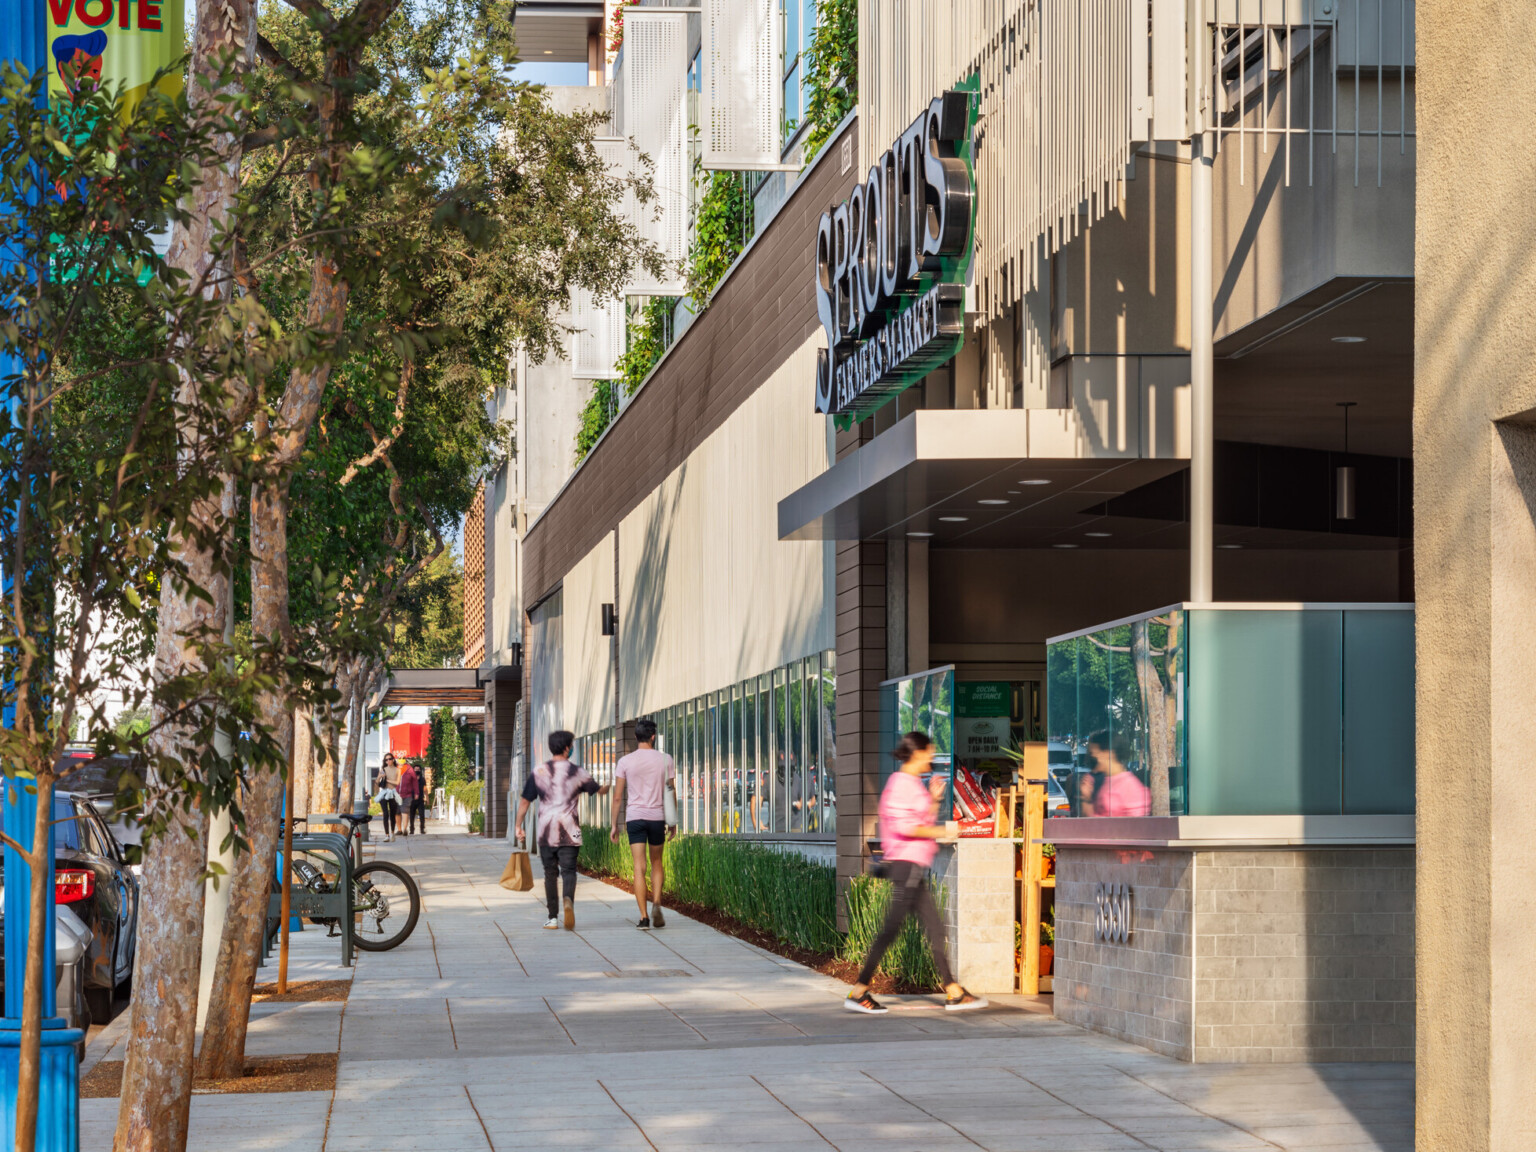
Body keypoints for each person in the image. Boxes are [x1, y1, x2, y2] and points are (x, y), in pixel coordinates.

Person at [845, 731, 987, 1014]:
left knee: (935, 927)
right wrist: (940, 830)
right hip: (905, 866)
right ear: (918, 753)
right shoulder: (900, 784)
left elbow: (920, 819)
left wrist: (934, 799)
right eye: (930, 754)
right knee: (890, 930)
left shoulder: (913, 784)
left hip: (914, 868)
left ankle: (952, 990)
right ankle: (859, 991)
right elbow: (906, 828)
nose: (932, 759)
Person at [515, 730, 610, 930]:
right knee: (569, 871)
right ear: (567, 748)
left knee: (550, 873)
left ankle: (552, 918)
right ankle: (568, 900)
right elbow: (597, 790)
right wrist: (608, 787)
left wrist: (518, 825)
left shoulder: (539, 772)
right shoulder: (578, 772)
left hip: (545, 832)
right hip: (570, 830)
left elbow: (525, 801)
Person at [609, 718, 677, 929]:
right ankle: (656, 902)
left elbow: (618, 797)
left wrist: (614, 825)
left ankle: (644, 917)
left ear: (636, 737)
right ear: (653, 737)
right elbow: (671, 791)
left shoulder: (625, 762)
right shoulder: (666, 759)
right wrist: (673, 820)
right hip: (657, 818)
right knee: (657, 862)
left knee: (639, 868)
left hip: (635, 818)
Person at [1080, 730, 1151, 817]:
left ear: (1109, 753)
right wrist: (1086, 798)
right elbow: (1094, 821)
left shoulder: (1130, 786)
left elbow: (1136, 826)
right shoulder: (1105, 781)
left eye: (1096, 752)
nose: (1093, 757)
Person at [397, 761, 422, 837]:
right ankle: (399, 829)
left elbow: (415, 782)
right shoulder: (394, 768)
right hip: (396, 794)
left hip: (407, 794)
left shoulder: (410, 770)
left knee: (405, 811)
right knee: (397, 812)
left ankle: (405, 829)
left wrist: (417, 792)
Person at [374, 776, 400, 844]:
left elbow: (398, 783)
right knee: (385, 814)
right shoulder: (382, 772)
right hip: (383, 795)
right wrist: (379, 777)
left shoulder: (395, 771)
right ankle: (387, 835)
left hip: (393, 794)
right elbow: (376, 785)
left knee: (392, 814)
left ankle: (392, 833)